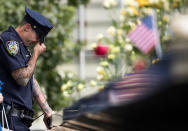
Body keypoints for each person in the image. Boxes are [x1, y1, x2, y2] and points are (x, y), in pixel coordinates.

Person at [0, 8, 54, 131]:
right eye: (38, 36)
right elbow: (22, 79)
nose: (38, 42)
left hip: (20, 122)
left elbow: (31, 80)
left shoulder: (22, 47)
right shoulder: (10, 42)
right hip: (9, 120)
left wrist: (47, 111)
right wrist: (35, 54)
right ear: (27, 27)